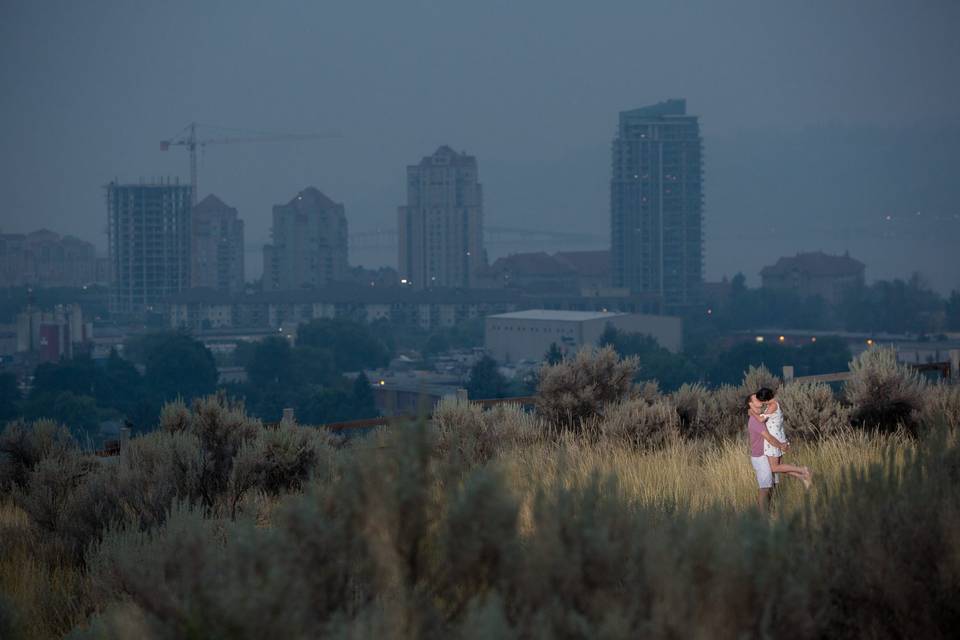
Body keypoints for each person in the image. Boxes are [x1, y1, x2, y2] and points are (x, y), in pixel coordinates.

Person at [751, 388, 812, 490]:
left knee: (774, 468)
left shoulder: (773, 405)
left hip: (774, 439)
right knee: (778, 466)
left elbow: (761, 419)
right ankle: (802, 476)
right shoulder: (773, 404)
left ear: (765, 399)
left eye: (761, 401)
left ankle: (803, 470)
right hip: (778, 436)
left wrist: (752, 412)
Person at [748, 400, 788, 513]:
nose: (759, 399)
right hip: (761, 457)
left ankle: (769, 511)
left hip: (768, 454)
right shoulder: (755, 420)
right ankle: (763, 518)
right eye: (756, 398)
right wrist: (781, 446)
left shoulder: (760, 414)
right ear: (750, 404)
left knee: (773, 485)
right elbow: (769, 438)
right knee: (765, 488)